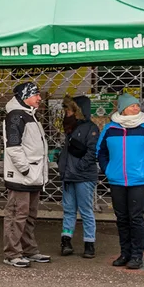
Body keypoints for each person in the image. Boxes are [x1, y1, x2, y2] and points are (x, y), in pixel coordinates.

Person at [97, 94, 144, 269]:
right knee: (121, 218)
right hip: (117, 180)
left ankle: (137, 255)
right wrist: (107, 169)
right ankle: (125, 253)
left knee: (135, 218)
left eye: (137, 105)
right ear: (122, 109)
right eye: (132, 105)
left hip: (140, 181)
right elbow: (100, 151)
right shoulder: (110, 129)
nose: (137, 108)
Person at [2, 82, 51, 268]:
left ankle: (28, 250)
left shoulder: (28, 115)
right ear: (25, 96)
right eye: (35, 94)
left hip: (32, 176)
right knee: (17, 216)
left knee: (28, 216)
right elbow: (14, 147)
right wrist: (26, 170)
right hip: (23, 178)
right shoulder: (16, 116)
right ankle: (12, 253)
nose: (39, 98)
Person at [58, 96, 99, 259]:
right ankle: (66, 240)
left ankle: (89, 243)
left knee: (85, 210)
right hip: (70, 175)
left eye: (69, 110)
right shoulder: (71, 127)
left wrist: (79, 167)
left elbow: (92, 151)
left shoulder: (90, 128)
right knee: (69, 209)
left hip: (82, 176)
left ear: (77, 111)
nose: (66, 113)